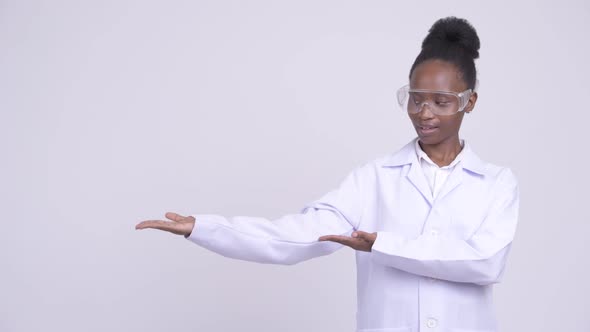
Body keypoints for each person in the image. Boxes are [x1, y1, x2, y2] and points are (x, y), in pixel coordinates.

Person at [136, 16, 519, 332]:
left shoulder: (496, 183)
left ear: (469, 102)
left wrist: (382, 245)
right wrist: (203, 228)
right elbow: (297, 237)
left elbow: (485, 262)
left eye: (441, 101)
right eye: (416, 99)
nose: (425, 112)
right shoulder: (375, 178)